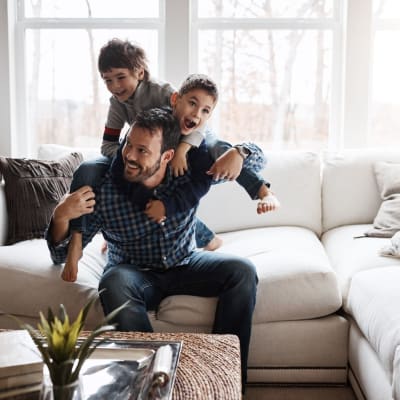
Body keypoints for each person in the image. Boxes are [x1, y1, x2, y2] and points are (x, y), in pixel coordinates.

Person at [46, 107, 258, 390]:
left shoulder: (187, 173)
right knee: (113, 281)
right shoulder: (105, 188)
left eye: (143, 150)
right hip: (134, 273)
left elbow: (256, 167)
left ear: (167, 156)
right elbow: (60, 255)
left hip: (186, 263)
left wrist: (241, 151)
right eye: (128, 145)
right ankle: (153, 386)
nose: (130, 156)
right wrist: (60, 215)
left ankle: (225, 381)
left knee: (242, 271)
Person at [64, 38, 279, 281]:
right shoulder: (117, 104)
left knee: (220, 151)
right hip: (146, 154)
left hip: (190, 140)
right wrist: (131, 157)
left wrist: (182, 150)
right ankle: (77, 239)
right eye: (107, 80)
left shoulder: (162, 92)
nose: (115, 85)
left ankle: (261, 191)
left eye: (120, 77)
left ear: (140, 73)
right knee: (89, 168)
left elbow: (192, 122)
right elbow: (108, 145)